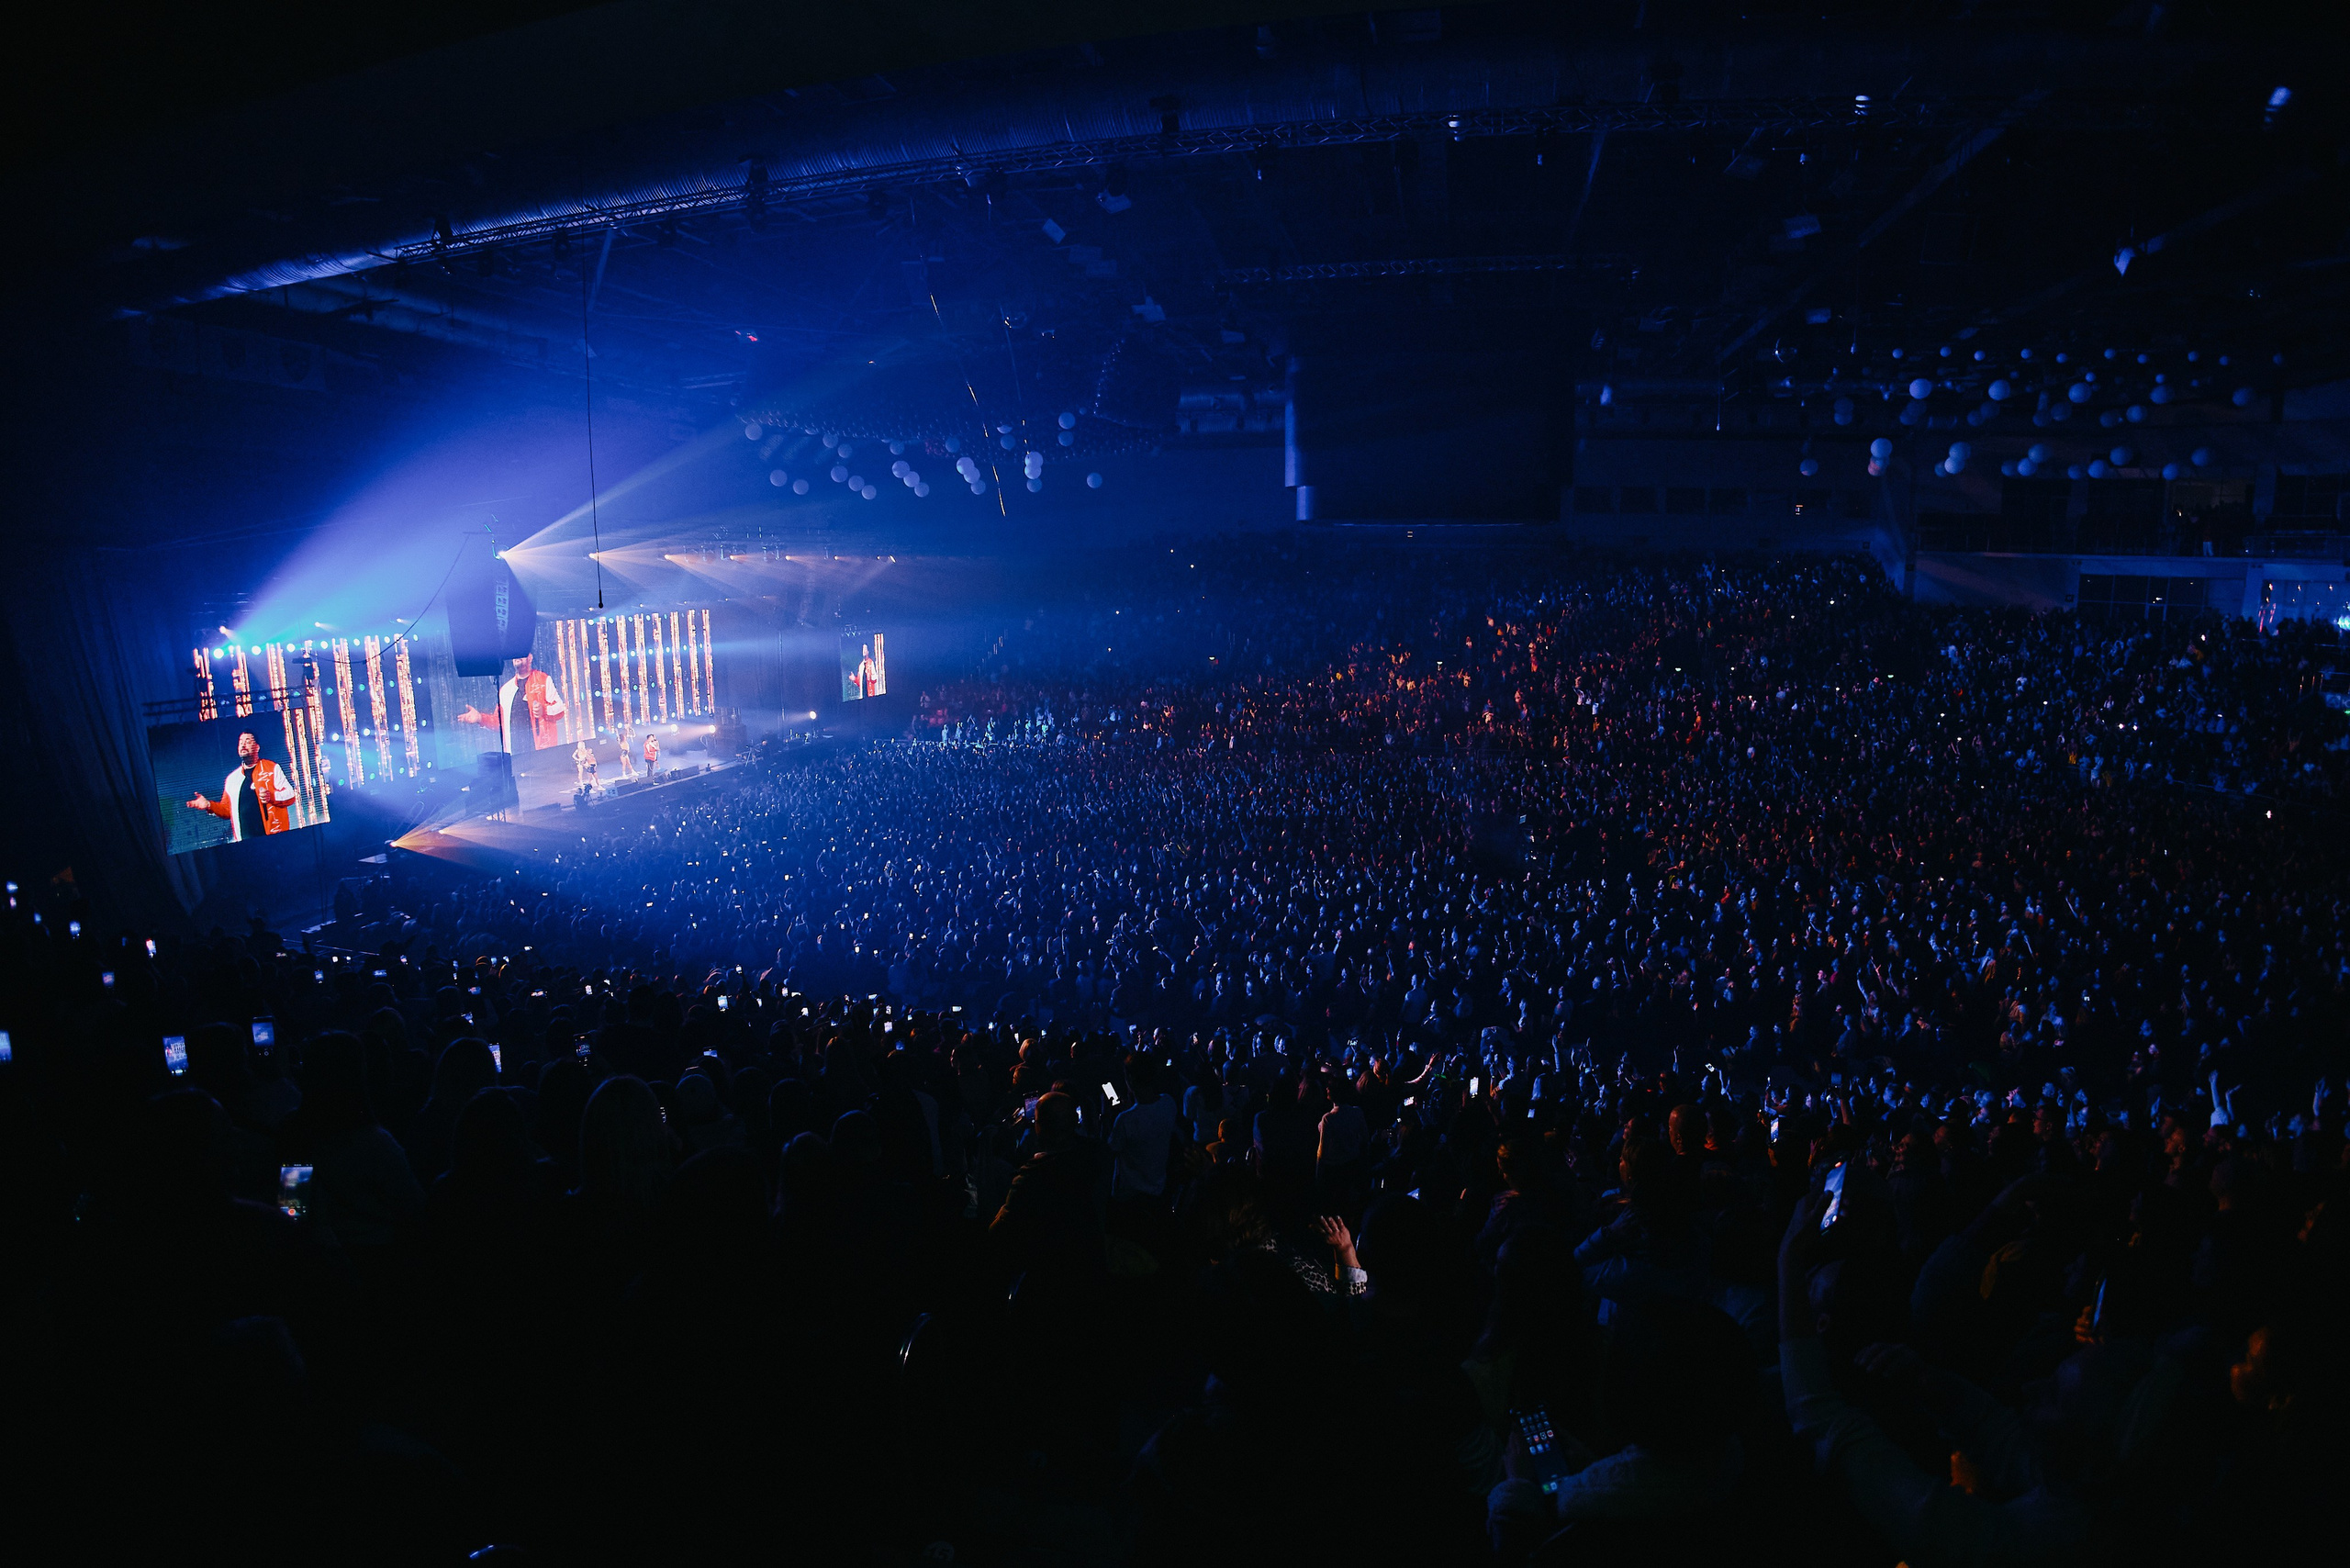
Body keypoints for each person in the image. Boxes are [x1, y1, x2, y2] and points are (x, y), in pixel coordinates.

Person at [186, 730, 298, 842]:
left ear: (257, 747)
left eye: (248, 741)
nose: (243, 745)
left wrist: (272, 796)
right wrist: (209, 805)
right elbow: (226, 810)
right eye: (241, 742)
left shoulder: (272, 768)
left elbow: (290, 796)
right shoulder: (232, 779)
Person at [456, 653, 567, 755]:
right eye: (515, 653)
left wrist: (544, 710)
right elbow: (498, 723)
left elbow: (560, 709)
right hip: (516, 757)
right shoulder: (505, 690)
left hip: (542, 754)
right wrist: (480, 718)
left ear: (530, 657)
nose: (518, 655)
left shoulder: (543, 679)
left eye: (522, 652)